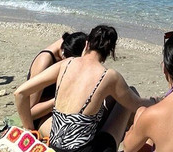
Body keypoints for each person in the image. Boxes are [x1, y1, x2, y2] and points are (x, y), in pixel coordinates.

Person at [15, 24, 153, 150]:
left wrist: (28, 129)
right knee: (129, 96)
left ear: (87, 44)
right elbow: (137, 105)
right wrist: (155, 101)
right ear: (110, 52)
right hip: (85, 149)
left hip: (55, 145)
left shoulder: (66, 63)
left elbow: (20, 93)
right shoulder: (109, 76)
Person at [24, 31, 88, 128]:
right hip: (41, 115)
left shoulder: (69, 43)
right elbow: (29, 112)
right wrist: (59, 100)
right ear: (64, 56)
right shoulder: (44, 62)